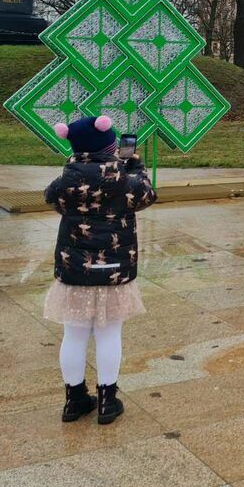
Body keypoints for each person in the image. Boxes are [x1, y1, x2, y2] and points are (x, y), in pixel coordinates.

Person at [43, 115, 156, 424]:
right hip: (115, 269)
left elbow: (51, 198)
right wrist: (134, 166)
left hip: (75, 269)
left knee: (74, 334)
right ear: (111, 146)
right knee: (109, 334)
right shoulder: (123, 179)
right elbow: (147, 195)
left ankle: (74, 400)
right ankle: (108, 401)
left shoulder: (66, 180)